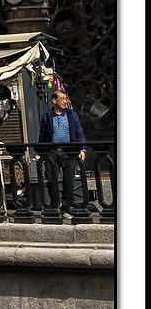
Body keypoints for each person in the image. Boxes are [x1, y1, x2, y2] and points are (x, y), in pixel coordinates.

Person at [41, 82, 89, 213]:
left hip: (69, 152)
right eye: (61, 99)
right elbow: (43, 135)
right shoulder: (47, 116)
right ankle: (54, 206)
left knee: (69, 181)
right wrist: (40, 152)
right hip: (52, 152)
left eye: (66, 99)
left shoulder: (71, 114)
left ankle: (66, 207)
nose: (65, 101)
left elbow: (79, 132)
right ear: (54, 100)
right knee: (51, 181)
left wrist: (82, 149)